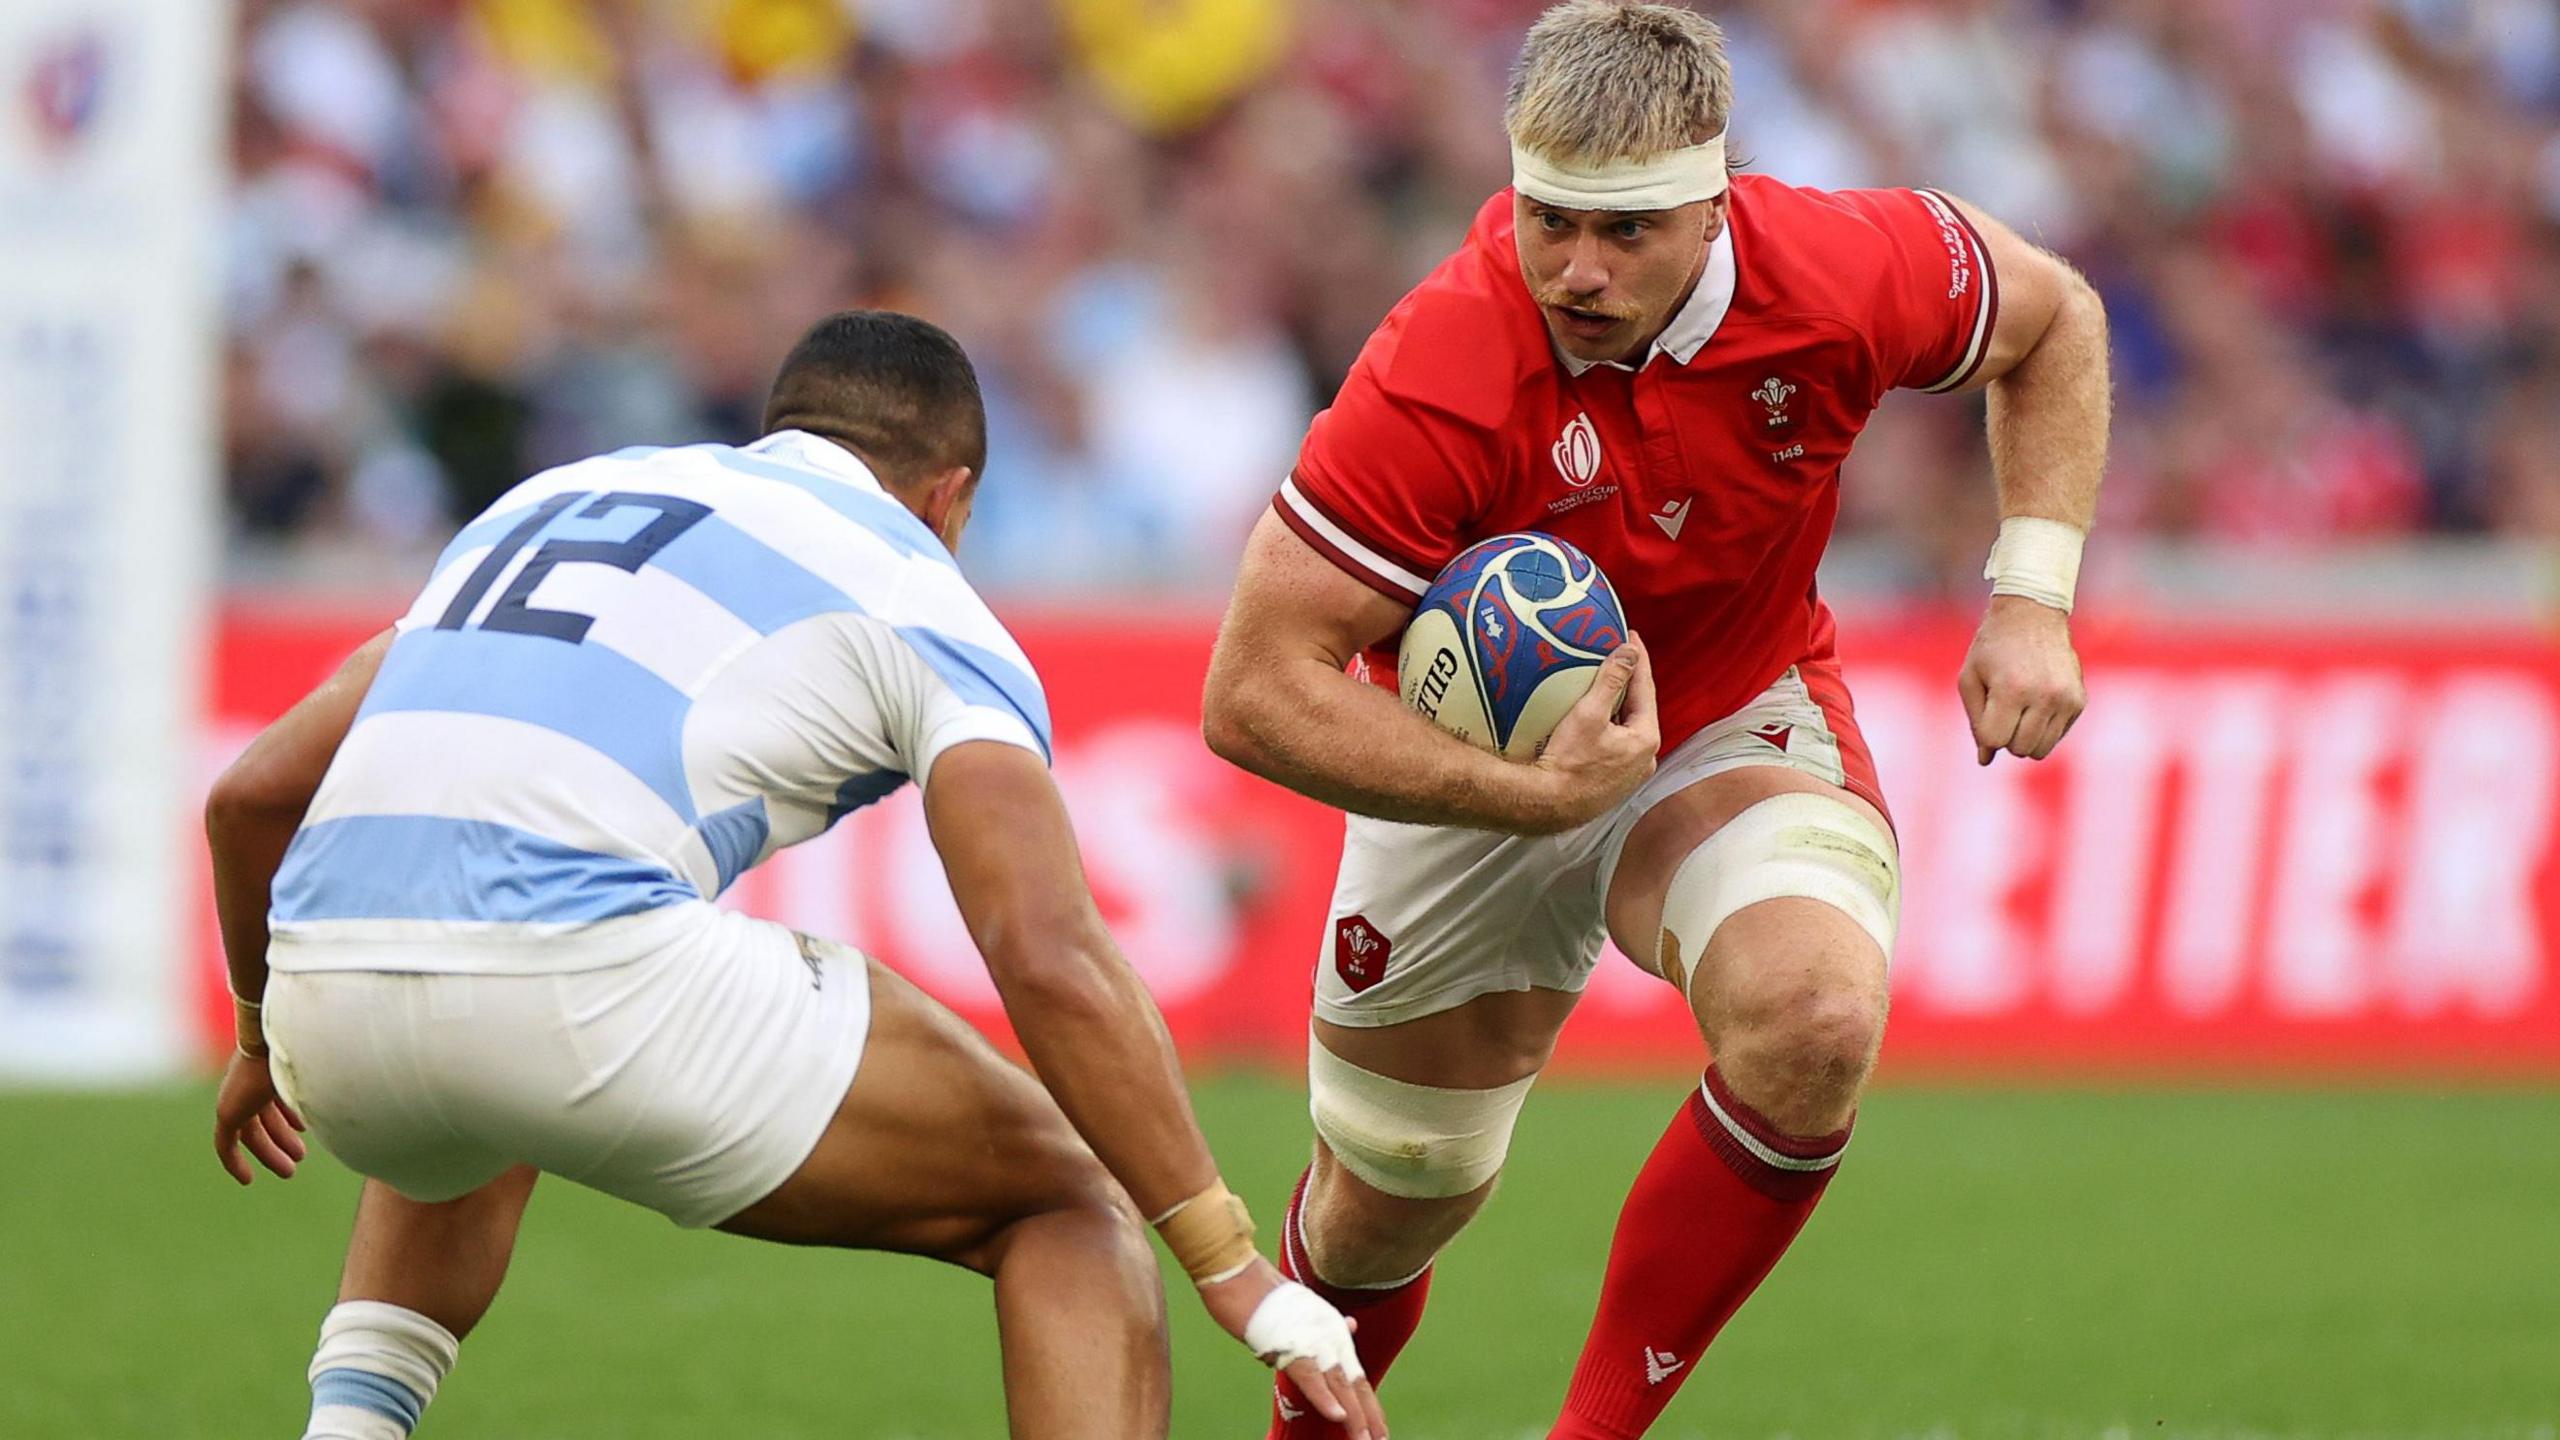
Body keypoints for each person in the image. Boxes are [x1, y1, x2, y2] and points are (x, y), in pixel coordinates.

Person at [207, 310, 1387, 1440]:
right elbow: (1046, 951)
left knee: (485, 1016)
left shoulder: (554, 498)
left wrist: (264, 1034)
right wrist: (1230, 1265)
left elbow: (251, 793)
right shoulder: (917, 585)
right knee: (1070, 1199)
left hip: (324, 993)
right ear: (953, 496)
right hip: (567, 980)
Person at [1199, 3, 2109, 1436]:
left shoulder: (1839, 267)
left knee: (1813, 1017)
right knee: (1388, 1204)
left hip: (1731, 710)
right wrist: (1530, 799)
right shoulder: (1440, 363)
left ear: (1716, 196)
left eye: (1627, 232)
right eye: (1549, 218)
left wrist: (2033, 596)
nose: (1577, 268)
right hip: (1475, 768)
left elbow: (2054, 317)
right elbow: (1251, 692)